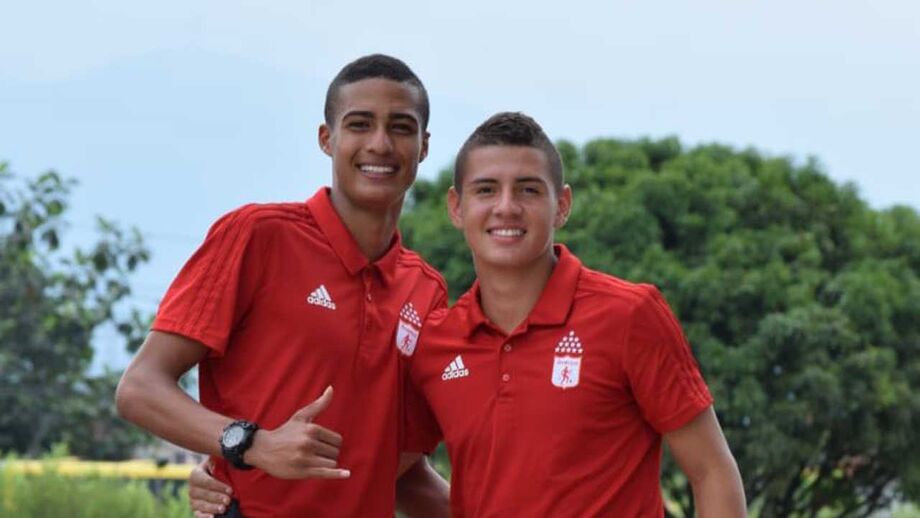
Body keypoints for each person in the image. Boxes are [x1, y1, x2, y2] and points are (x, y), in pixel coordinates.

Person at [190, 112, 747, 516]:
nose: (506, 207)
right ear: (457, 208)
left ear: (562, 205)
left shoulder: (629, 314)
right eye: (486, 190)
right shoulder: (437, 342)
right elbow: (384, 469)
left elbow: (712, 471)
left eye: (528, 190)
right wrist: (234, 463)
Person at [116, 54, 449, 517]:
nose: (380, 143)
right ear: (326, 139)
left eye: (401, 127)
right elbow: (139, 388)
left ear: (424, 146)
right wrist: (249, 444)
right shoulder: (258, 236)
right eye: (359, 124)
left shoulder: (427, 291)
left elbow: (400, 470)